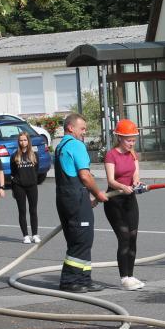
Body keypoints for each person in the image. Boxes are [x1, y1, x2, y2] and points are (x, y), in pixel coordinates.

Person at [55, 113, 108, 293]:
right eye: (82, 128)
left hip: (67, 198)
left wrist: (87, 198)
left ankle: (84, 279)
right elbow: (85, 176)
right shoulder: (76, 145)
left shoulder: (60, 146)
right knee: (80, 240)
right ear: (71, 127)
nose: (84, 132)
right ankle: (69, 281)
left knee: (82, 240)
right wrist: (97, 194)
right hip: (75, 198)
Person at [104, 119, 145, 291]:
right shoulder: (111, 155)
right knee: (124, 237)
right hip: (115, 201)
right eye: (129, 139)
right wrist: (123, 187)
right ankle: (124, 278)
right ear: (120, 138)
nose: (132, 143)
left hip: (130, 199)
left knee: (134, 236)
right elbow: (111, 181)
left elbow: (135, 174)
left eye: (134, 139)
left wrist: (136, 183)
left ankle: (131, 274)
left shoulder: (133, 154)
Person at [10, 131, 41, 244]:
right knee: (22, 211)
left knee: (33, 210)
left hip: (32, 185)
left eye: (25, 140)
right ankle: (25, 235)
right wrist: (14, 188)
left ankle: (35, 234)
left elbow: (36, 171)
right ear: (18, 142)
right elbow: (13, 173)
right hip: (19, 186)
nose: (23, 142)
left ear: (28, 141)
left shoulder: (34, 155)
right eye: (21, 140)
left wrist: (33, 180)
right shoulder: (15, 156)